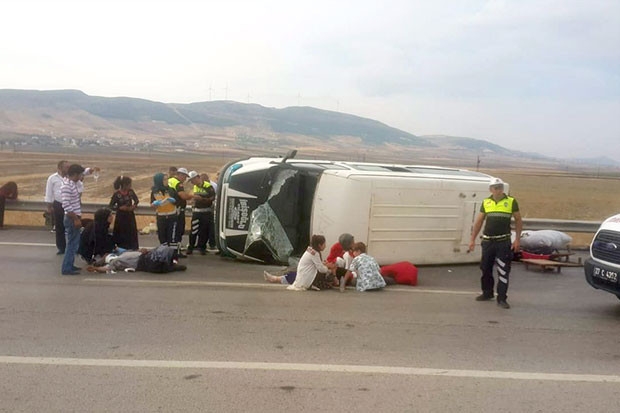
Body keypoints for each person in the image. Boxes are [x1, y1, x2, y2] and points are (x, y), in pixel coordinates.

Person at [468, 177, 522, 309]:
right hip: (488, 241)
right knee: (485, 268)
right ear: (490, 189)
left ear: (503, 189)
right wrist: (472, 239)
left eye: (500, 187)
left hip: (503, 241)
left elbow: (518, 220)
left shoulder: (511, 201)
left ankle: (502, 298)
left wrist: (517, 239)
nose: (498, 190)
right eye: (495, 188)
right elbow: (479, 222)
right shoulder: (486, 202)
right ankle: (487, 292)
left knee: (503, 270)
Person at [87, 245, 187, 274]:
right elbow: (106, 269)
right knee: (160, 264)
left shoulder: (123, 253)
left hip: (147, 257)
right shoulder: (115, 262)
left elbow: (138, 250)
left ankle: (173, 263)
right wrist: (96, 268)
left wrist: (143, 250)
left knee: (165, 248)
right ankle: (173, 265)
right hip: (144, 263)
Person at [60, 164, 85, 275]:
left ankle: (70, 264)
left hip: (74, 216)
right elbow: (66, 204)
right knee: (72, 244)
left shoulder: (72, 184)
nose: (81, 177)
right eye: (80, 175)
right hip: (71, 217)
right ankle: (66, 268)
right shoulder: (66, 186)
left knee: (74, 243)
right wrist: (75, 219)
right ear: (75, 174)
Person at [187, 171, 216, 255]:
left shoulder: (208, 186)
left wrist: (202, 200)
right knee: (194, 230)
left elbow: (212, 197)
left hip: (206, 212)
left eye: (193, 180)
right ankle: (191, 246)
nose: (192, 182)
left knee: (204, 231)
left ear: (197, 178)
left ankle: (202, 247)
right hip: (197, 212)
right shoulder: (195, 187)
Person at [44, 160, 69, 253]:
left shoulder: (70, 177)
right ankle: (61, 247)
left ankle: (72, 247)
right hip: (58, 204)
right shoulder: (52, 178)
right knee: (59, 227)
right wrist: (49, 206)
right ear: (60, 168)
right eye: (66, 167)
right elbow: (49, 192)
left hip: (69, 204)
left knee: (71, 227)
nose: (68, 169)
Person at [109, 176, 139, 250]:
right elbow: (111, 205)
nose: (130, 186)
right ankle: (121, 247)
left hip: (130, 215)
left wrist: (133, 206)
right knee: (121, 232)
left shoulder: (131, 192)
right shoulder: (117, 194)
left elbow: (136, 200)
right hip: (121, 216)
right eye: (129, 185)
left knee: (131, 232)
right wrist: (119, 208)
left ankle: (132, 247)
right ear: (124, 185)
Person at [168, 167, 193, 254]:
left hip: (171, 209)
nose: (185, 179)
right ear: (180, 175)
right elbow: (183, 196)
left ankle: (171, 250)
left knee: (172, 231)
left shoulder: (170, 180)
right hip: (178, 210)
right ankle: (176, 251)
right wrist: (192, 195)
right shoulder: (178, 184)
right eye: (184, 176)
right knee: (178, 230)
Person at [150, 172, 177, 246]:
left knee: (171, 237)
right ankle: (163, 253)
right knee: (162, 237)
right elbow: (152, 204)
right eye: (164, 179)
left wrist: (173, 200)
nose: (167, 181)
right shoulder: (154, 191)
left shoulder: (171, 190)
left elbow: (177, 201)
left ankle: (172, 254)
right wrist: (154, 204)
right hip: (161, 217)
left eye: (167, 179)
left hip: (171, 216)